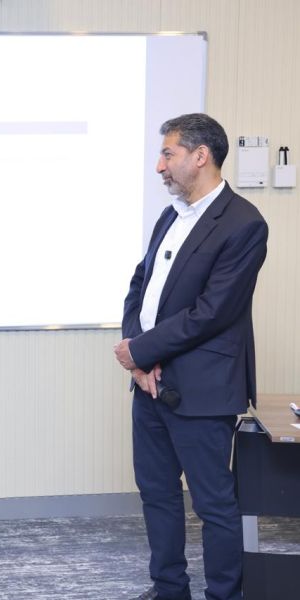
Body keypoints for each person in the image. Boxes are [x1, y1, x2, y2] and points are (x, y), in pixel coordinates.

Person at [114, 113, 268, 600]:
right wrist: (138, 355)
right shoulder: (170, 215)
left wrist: (140, 351)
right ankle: (169, 590)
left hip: (202, 390)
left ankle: (223, 595)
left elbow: (212, 312)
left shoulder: (244, 224)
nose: (159, 166)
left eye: (168, 154)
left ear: (201, 156)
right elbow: (140, 286)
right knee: (157, 495)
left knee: (214, 505)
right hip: (150, 384)